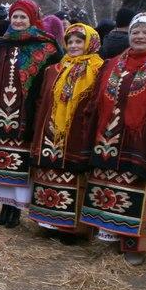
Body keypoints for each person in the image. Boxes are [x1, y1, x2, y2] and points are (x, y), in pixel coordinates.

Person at [80, 13, 146, 265]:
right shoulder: (112, 64)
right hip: (109, 139)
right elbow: (95, 102)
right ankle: (110, 237)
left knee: (141, 192)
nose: (140, 36)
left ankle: (136, 247)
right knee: (110, 188)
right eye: (136, 31)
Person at [0, 0, 61, 228]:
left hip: (26, 112)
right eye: (14, 16)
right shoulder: (1, 43)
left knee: (20, 165)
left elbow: (52, 78)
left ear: (32, 19)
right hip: (1, 111)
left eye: (22, 17)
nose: (17, 21)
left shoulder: (46, 46)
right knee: (2, 164)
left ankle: (15, 210)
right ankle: (5, 208)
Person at [28, 23, 103, 242]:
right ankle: (49, 222)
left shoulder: (98, 69)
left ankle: (73, 229)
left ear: (90, 43)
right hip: (50, 130)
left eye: (79, 41)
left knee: (74, 176)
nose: (74, 46)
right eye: (70, 42)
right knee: (50, 175)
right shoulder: (54, 69)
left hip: (78, 131)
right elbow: (42, 98)